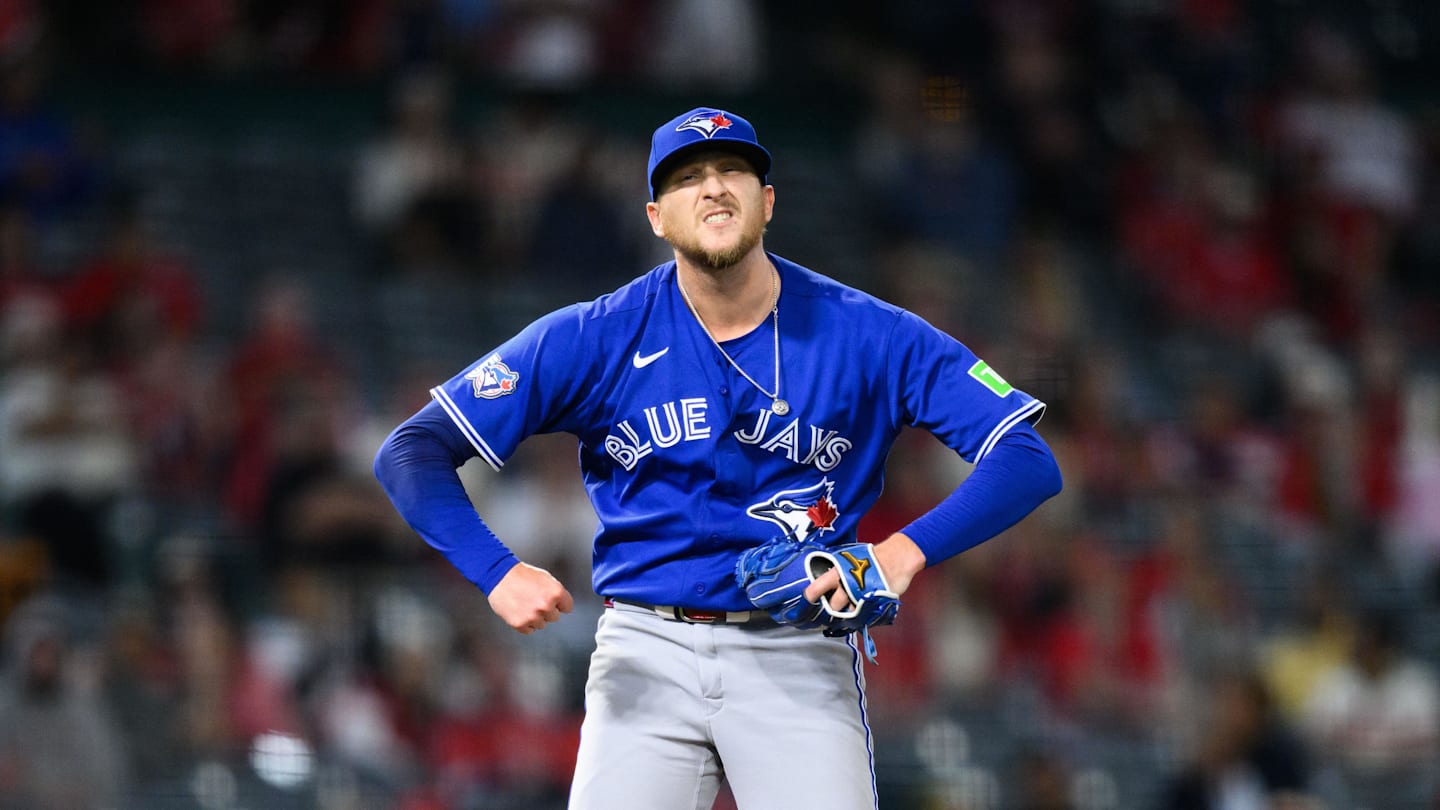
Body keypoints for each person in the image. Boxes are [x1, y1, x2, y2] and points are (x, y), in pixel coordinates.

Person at [373, 107, 1063, 809]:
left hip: (798, 655)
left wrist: (904, 551)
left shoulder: (870, 333)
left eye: (733, 169)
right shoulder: (595, 336)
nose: (713, 187)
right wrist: (497, 571)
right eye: (687, 177)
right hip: (645, 649)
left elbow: (1027, 456)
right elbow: (412, 451)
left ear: (766, 202)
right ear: (655, 216)